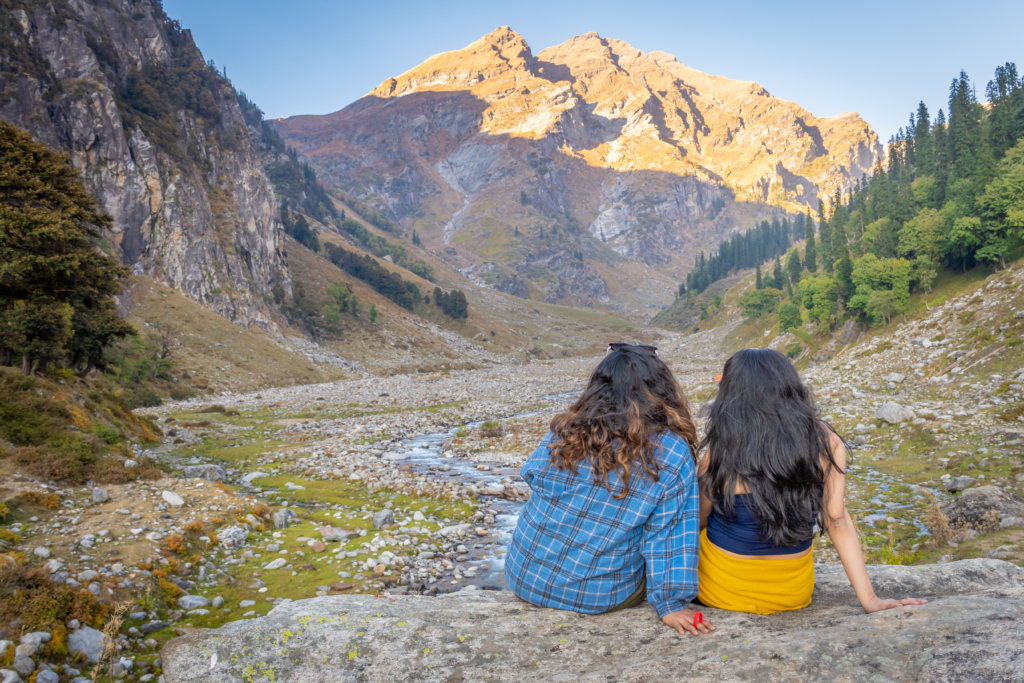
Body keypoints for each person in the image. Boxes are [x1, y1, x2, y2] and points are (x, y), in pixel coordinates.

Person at [696, 348, 927, 615]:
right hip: (793, 593)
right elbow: (836, 520)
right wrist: (871, 600)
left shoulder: (721, 448)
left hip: (722, 592)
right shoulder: (825, 439)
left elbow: (699, 520)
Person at [505, 343, 714, 636]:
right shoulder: (671, 450)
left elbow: (532, 475)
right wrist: (671, 603)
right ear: (661, 390)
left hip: (524, 576)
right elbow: (669, 534)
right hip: (599, 596)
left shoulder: (564, 428)